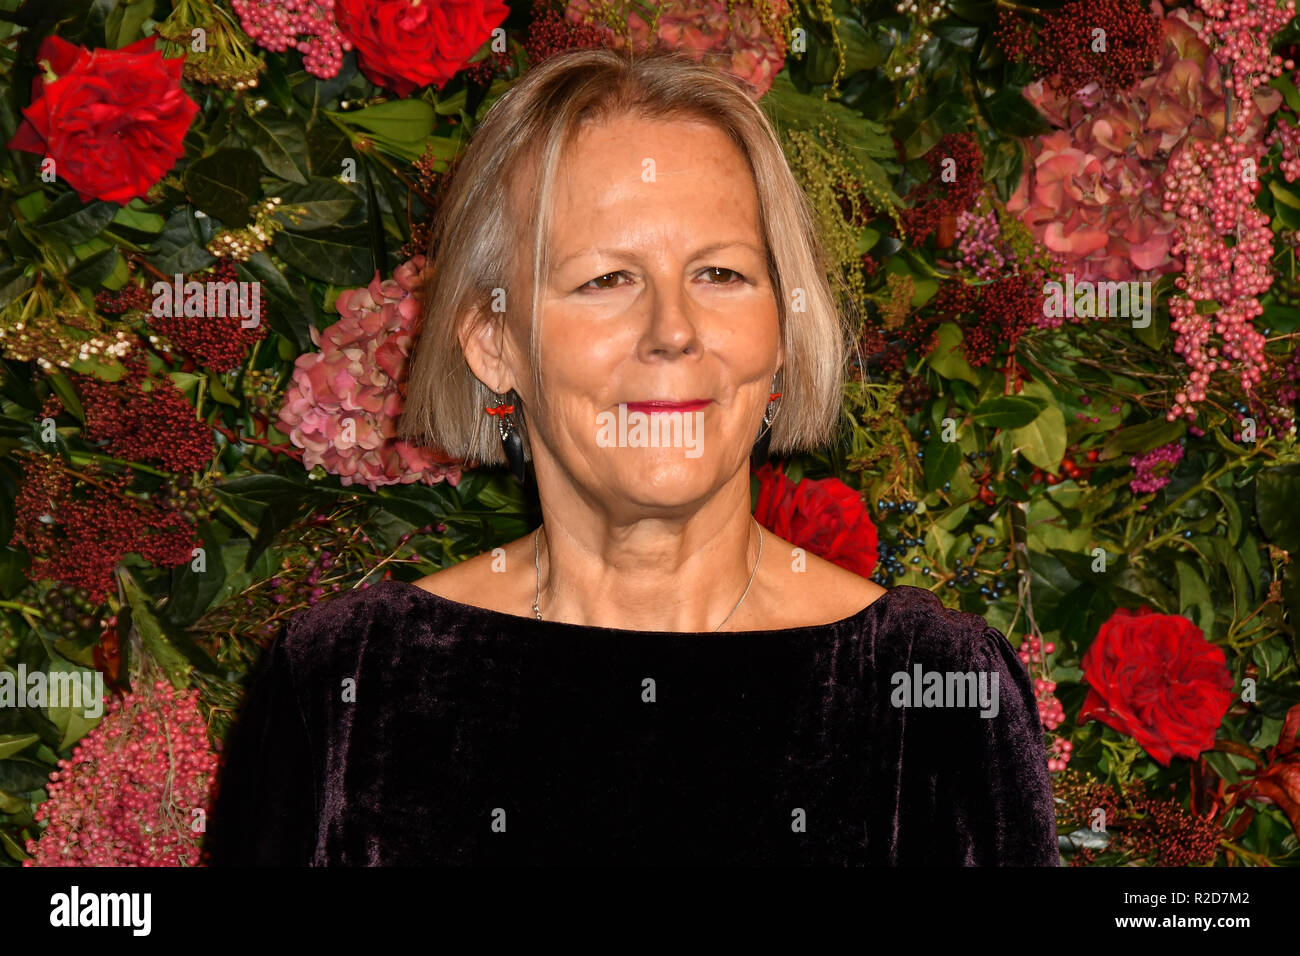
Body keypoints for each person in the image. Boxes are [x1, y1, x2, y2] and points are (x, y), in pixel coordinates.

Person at [206, 47, 1058, 866]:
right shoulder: (347, 687)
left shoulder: (933, 694)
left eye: (720, 274)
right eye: (605, 280)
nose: (673, 332)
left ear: (784, 332)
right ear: (493, 341)